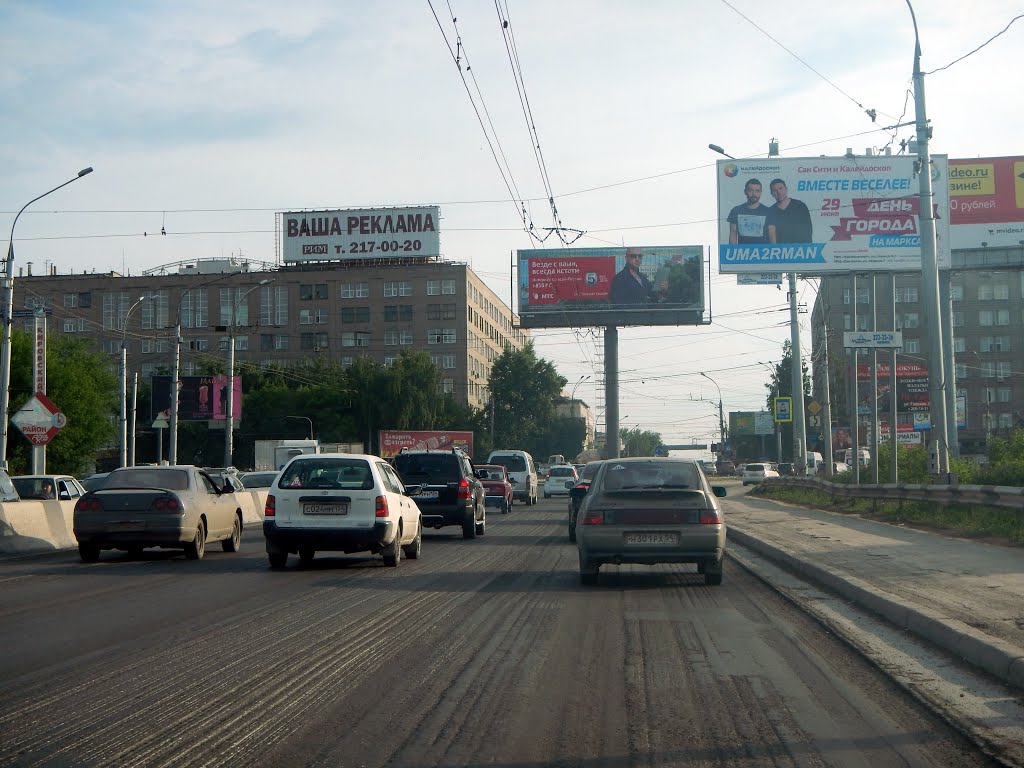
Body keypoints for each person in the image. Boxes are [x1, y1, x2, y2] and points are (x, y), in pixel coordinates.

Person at [767, 178, 813, 243]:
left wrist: (806, 249)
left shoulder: (800, 206)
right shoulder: (771, 211)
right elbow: (771, 233)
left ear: (786, 189)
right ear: (771, 193)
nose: (778, 192)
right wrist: (775, 250)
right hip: (782, 251)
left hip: (800, 249)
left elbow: (808, 230)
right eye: (775, 190)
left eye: (781, 188)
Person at [727, 178, 773, 244]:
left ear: (760, 192)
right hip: (742, 253)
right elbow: (733, 235)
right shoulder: (736, 211)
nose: (754, 194)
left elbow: (771, 235)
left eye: (757, 191)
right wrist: (732, 252)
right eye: (751, 190)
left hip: (763, 252)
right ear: (745, 191)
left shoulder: (768, 212)